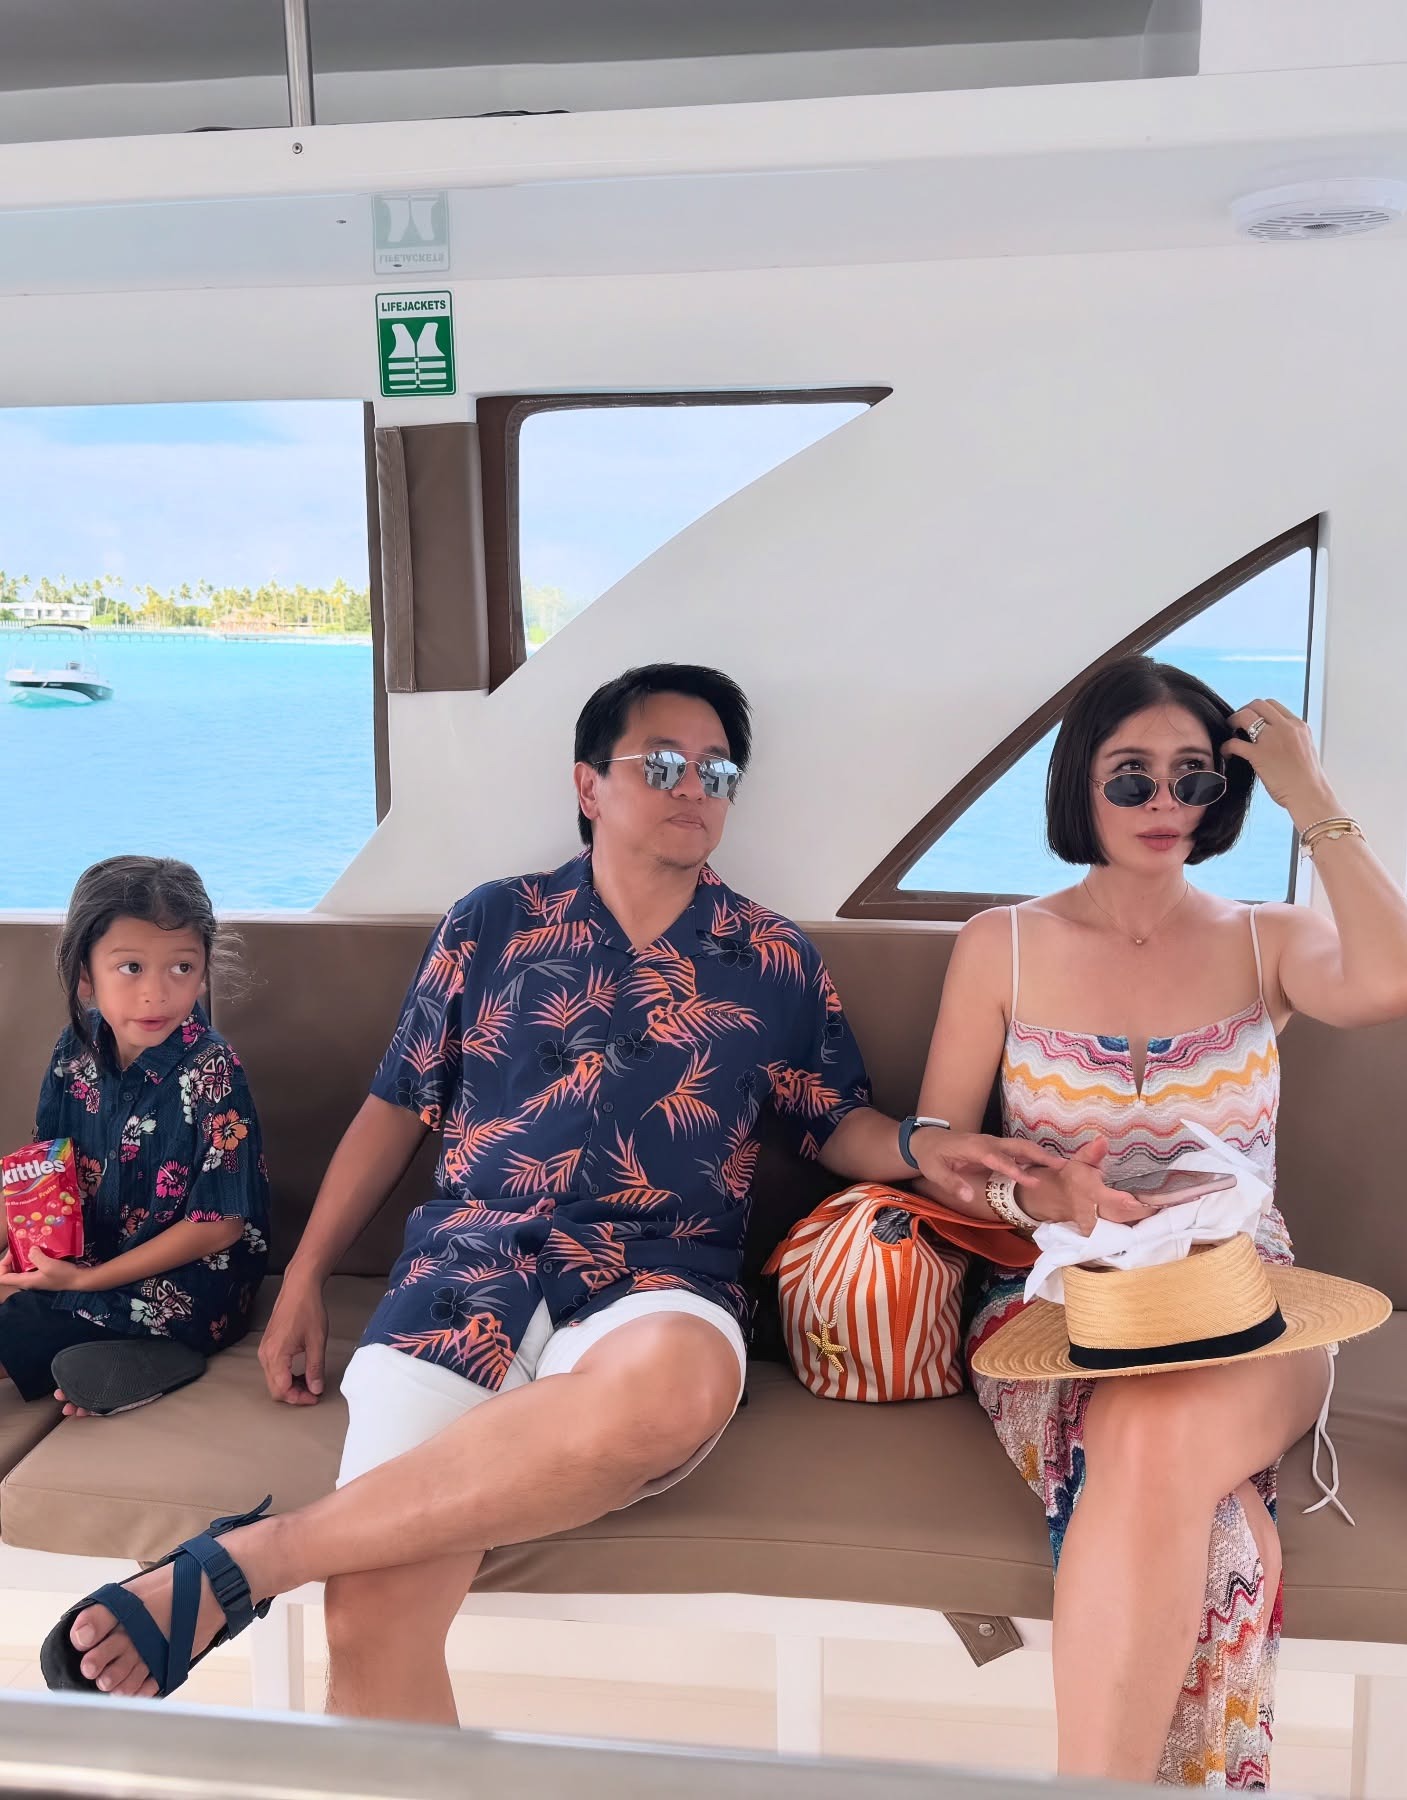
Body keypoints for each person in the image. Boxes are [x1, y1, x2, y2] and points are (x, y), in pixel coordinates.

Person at [44, 663, 1057, 1714]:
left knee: (674, 1393)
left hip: (661, 1278)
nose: (694, 786)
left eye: (718, 770)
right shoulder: (489, 924)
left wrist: (927, 1146)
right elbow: (396, 1107)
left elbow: (830, 1116)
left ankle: (255, 1557)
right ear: (588, 784)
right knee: (375, 1610)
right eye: (662, 763)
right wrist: (302, 1280)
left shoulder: (772, 957)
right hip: (463, 1273)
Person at [911, 655, 1407, 1789]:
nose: (1164, 803)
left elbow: (1404, 980)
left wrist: (1311, 797)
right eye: (1131, 777)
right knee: (1212, 1518)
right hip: (1058, 1305)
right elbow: (943, 1160)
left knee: (1151, 1446)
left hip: (1254, 1299)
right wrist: (1035, 1195)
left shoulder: (1268, 938)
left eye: (1194, 778)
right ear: (1080, 784)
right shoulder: (1000, 943)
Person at [0, 857, 270, 1416]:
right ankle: (111, 1354)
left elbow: (219, 1227)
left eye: (181, 968)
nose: (157, 993)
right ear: (85, 973)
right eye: (130, 968)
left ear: (204, 971)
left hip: (190, 1281)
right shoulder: (73, 1049)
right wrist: (19, 1252)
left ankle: (165, 1349)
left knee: (24, 1325)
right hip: (91, 1259)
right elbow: (47, 1170)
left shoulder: (213, 1069)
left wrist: (88, 1281)